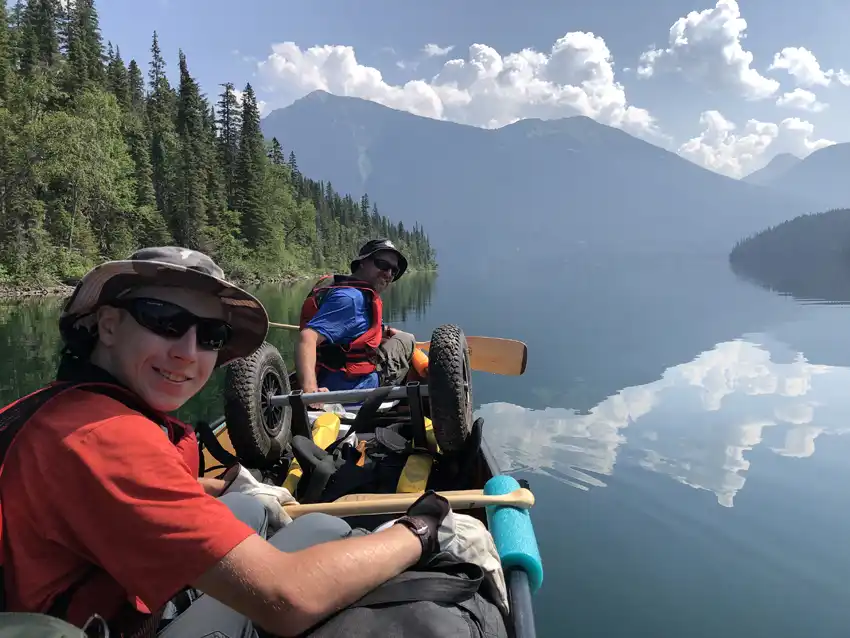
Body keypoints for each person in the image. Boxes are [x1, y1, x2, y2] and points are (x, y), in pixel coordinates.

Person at [0, 246, 458, 637]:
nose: (187, 352)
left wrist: (225, 485)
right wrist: (420, 530)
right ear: (108, 325)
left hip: (71, 597)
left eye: (211, 335)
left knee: (254, 507)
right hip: (98, 622)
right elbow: (289, 597)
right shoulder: (108, 440)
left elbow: (111, 498)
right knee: (328, 531)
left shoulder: (56, 406)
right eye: (163, 320)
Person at [296, 239, 418, 401]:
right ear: (362, 262)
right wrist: (311, 392)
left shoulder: (342, 289)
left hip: (328, 377)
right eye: (382, 264)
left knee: (392, 338)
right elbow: (307, 338)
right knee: (406, 339)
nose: (388, 274)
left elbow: (352, 328)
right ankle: (400, 399)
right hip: (355, 389)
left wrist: (385, 331)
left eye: (393, 270)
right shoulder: (351, 299)